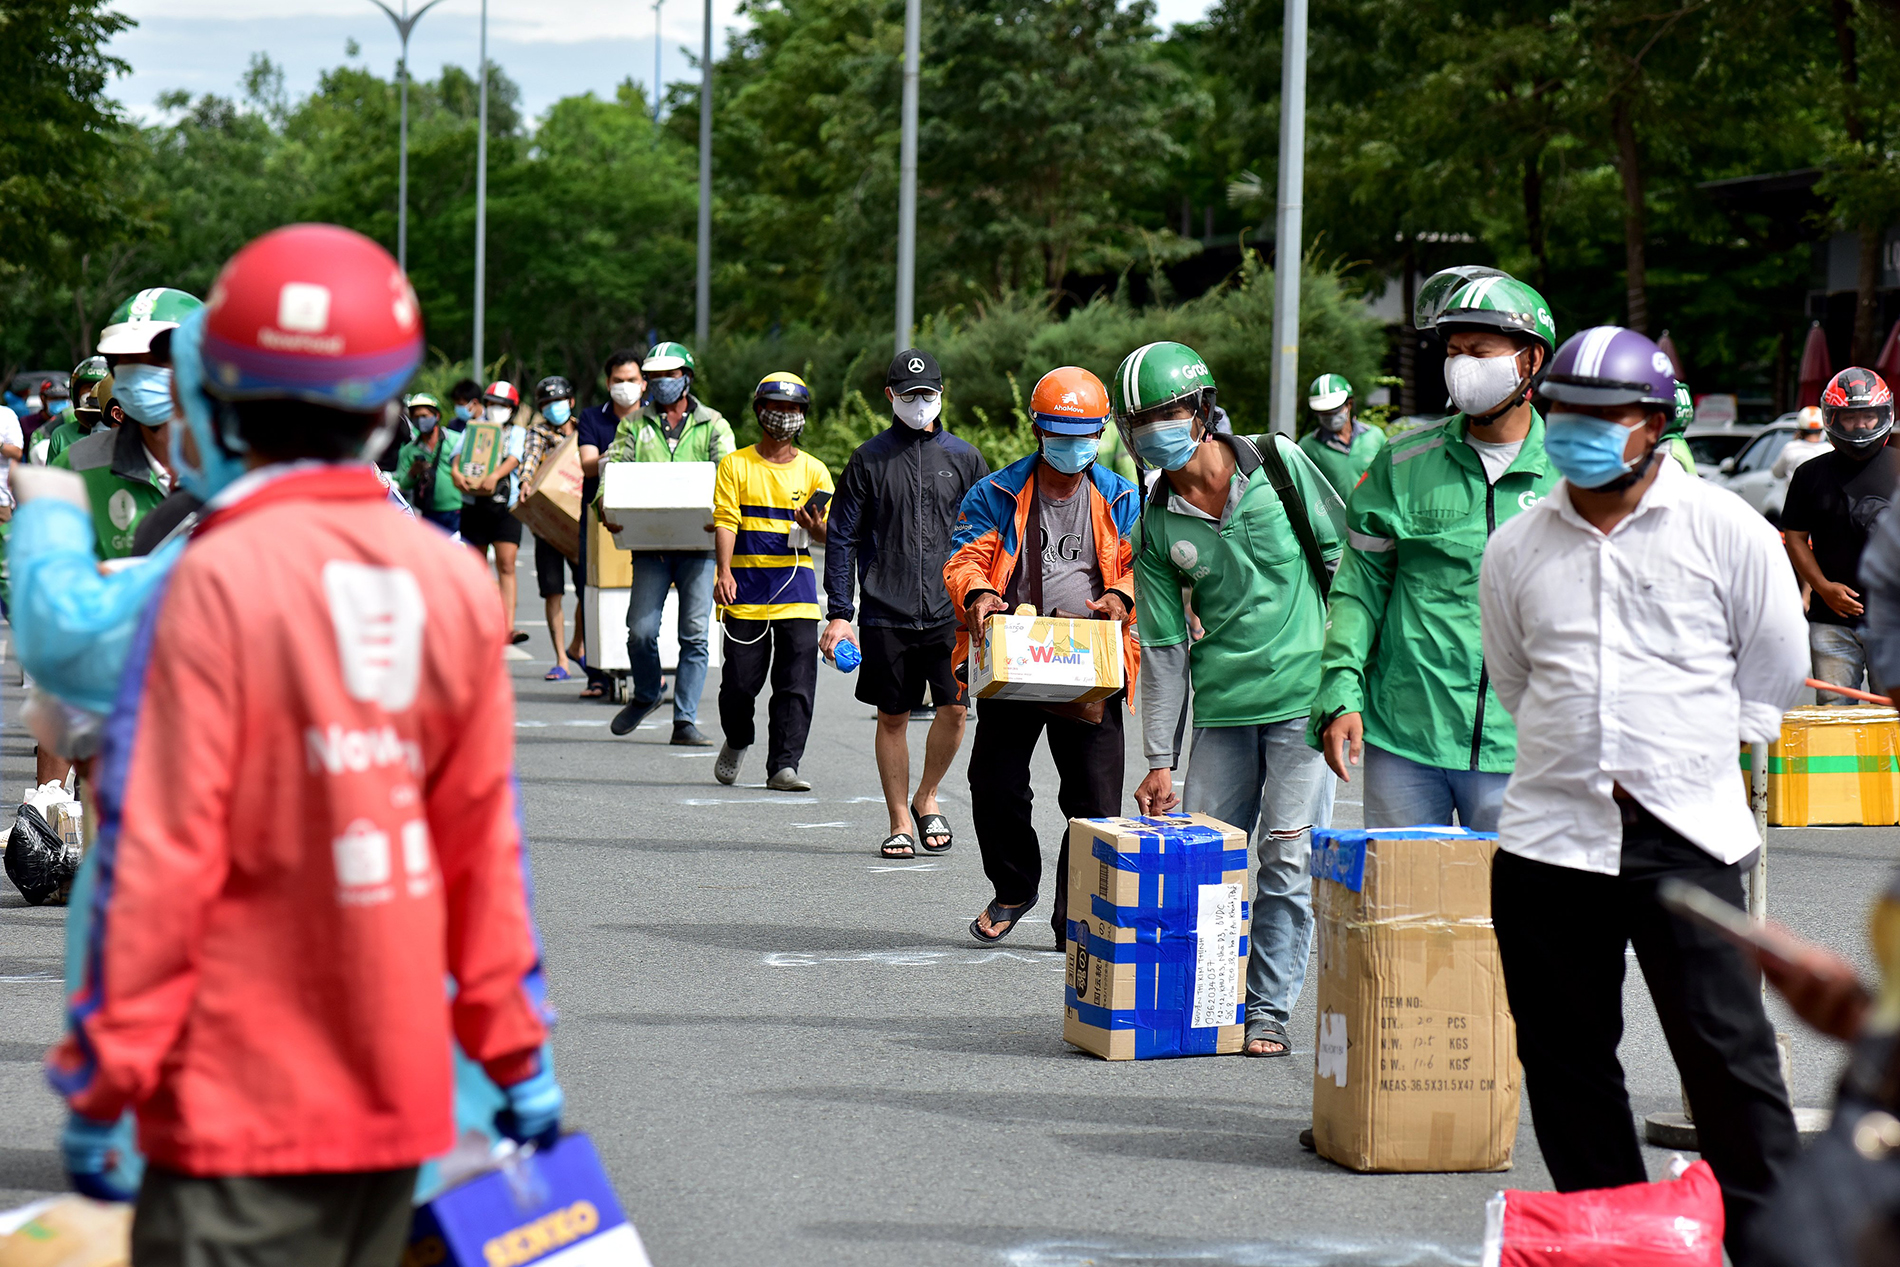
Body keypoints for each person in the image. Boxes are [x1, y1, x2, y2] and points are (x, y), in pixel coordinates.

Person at [43, 222, 561, 1263]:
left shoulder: (201, 583)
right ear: (387, 405)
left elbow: (156, 868)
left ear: (215, 395)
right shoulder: (452, 585)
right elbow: (480, 855)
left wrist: (106, 1080)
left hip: (233, 1115)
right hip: (402, 1112)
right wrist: (518, 1058)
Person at [1478, 324, 1806, 1262]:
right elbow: (1516, 679)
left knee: (1729, 1062)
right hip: (1549, 844)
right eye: (1562, 414)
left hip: (1688, 836)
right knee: (1569, 1065)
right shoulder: (1517, 546)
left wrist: (1681, 755)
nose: (1576, 430)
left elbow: (1775, 670)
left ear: (1655, 423)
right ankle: (1621, 1240)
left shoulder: (1728, 530)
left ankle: (1774, 1244)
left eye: (1602, 416)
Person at [1120, 341, 1346, 1059]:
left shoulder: (1279, 465)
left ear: (1202, 409)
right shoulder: (1156, 525)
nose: (1155, 430)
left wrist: (1350, 687)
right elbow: (1161, 648)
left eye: (1166, 413)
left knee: (1284, 861)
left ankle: (1268, 1011)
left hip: (1303, 705)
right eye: (1140, 421)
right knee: (1210, 865)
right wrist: (1159, 758)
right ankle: (1213, 1000)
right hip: (1222, 714)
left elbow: (1347, 567)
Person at [1312, 271, 1561, 830]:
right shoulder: (1402, 464)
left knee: (1509, 913)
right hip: (1407, 737)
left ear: (1530, 361)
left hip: (1524, 746)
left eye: (1480, 350)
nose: (1462, 365)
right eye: (1453, 351)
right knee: (1396, 910)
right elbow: (1358, 589)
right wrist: (1340, 690)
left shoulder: (1573, 478)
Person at [945, 366, 1140, 950]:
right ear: (1037, 429)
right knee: (994, 782)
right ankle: (1013, 887)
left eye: (1084, 434)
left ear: (1102, 432)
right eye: (1059, 432)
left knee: (1095, 802)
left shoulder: (1121, 495)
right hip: (1017, 655)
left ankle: (1075, 917)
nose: (1071, 445)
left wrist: (1121, 594)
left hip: (1091, 663)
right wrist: (979, 593)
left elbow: (1144, 569)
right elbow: (964, 559)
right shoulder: (996, 492)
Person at [821, 348, 990, 857]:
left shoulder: (965, 458)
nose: (920, 403)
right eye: (910, 394)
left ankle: (928, 795)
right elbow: (842, 537)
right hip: (884, 609)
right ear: (891, 396)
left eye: (929, 394)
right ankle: (899, 818)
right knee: (891, 715)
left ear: (942, 395)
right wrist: (839, 614)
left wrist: (990, 597)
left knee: (955, 710)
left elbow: (989, 535)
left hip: (951, 611)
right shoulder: (868, 458)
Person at [600, 342, 735, 745]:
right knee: (640, 630)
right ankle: (646, 692)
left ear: (687, 378)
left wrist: (723, 518)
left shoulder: (713, 424)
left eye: (669, 376)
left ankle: (685, 720)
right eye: (654, 377)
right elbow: (613, 470)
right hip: (651, 543)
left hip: (700, 545)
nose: (661, 384)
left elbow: (727, 478)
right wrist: (604, 506)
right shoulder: (634, 425)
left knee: (694, 635)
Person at [709, 373, 834, 790]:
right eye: (777, 408)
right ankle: (738, 737)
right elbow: (726, 519)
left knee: (796, 683)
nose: (785, 417)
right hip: (743, 588)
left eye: (794, 410)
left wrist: (815, 529)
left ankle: (784, 765)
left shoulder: (816, 471)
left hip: (795, 589)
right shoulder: (735, 465)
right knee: (739, 684)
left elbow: (832, 535)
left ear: (804, 416)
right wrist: (723, 571)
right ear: (760, 412)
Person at [52, 287, 204, 560]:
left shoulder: (242, 466)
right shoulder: (75, 467)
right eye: (130, 361)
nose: (142, 374)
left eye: (159, 359)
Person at [1782, 367, 1898, 704]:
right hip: (1831, 621)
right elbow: (1794, 537)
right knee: (1834, 719)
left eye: (1869, 416)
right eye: (1851, 418)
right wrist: (1823, 587)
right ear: (1834, 419)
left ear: (1884, 416)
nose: (1861, 425)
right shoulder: (1809, 475)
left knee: (1891, 719)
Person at [572, 348, 647, 701]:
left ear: (644, 383)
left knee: (642, 593)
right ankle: (597, 673)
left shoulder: (652, 420)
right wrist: (620, 455)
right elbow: (587, 464)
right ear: (607, 383)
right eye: (618, 381)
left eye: (632, 380)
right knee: (594, 592)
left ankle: (649, 671)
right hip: (600, 517)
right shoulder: (592, 418)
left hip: (645, 517)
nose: (625, 387)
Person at [453, 380, 529, 644]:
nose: (497, 409)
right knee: (477, 566)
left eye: (503, 405)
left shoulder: (517, 432)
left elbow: (515, 457)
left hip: (504, 506)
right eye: (493, 404)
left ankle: (507, 626)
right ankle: (481, 622)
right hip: (474, 505)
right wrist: (455, 473)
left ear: (512, 409)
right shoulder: (473, 429)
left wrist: (495, 475)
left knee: (507, 565)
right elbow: (457, 455)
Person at [523, 374, 584, 681]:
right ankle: (562, 658)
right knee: (553, 593)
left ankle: (577, 646)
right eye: (547, 404)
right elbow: (531, 459)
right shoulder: (538, 432)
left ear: (571, 402)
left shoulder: (584, 430)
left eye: (558, 402)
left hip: (578, 521)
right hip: (548, 524)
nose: (553, 408)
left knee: (588, 588)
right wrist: (524, 481)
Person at [1296, 372, 1384, 497]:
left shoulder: (1374, 436)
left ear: (1349, 404)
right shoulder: (1307, 447)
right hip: (1333, 516)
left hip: (1372, 515)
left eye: (1334, 410)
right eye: (1323, 413)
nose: (1330, 417)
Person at [394, 392, 465, 534]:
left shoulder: (455, 440)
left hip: (458, 511)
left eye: (424, 416)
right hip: (429, 513)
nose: (420, 420)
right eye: (416, 416)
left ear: (437, 416)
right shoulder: (409, 450)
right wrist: (413, 472)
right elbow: (402, 485)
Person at [41, 357, 108, 466]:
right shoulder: (61, 435)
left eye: (101, 386)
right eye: (89, 387)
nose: (95, 392)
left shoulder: (125, 433)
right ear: (76, 394)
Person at [1772, 405, 1831, 484]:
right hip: (1821, 496)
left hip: (1795, 495)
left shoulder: (1790, 448)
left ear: (1800, 430)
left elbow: (1777, 473)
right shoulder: (1829, 450)